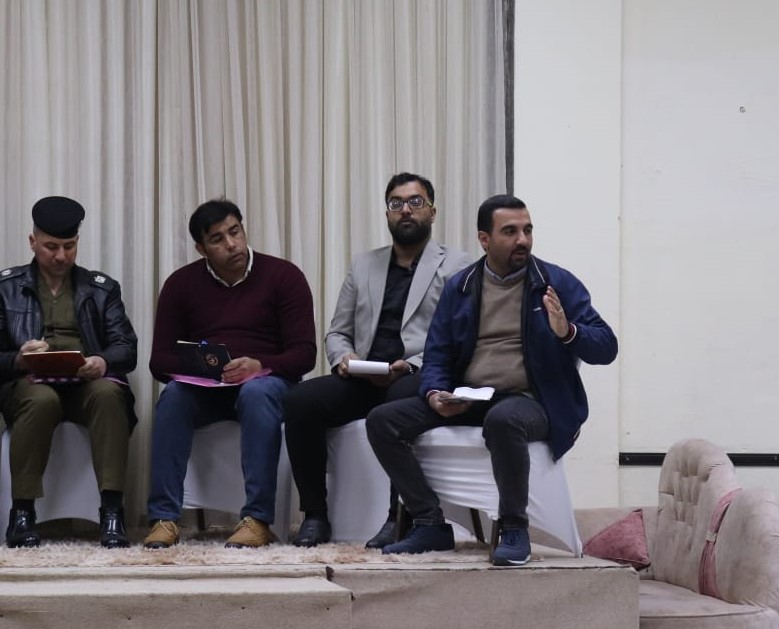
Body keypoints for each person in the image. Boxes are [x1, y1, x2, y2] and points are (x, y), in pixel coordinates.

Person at [366, 194, 618, 565]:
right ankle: (428, 521)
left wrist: (568, 331)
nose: (523, 240)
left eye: (527, 230)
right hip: (470, 397)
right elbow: (437, 354)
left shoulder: (555, 283)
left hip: (531, 402)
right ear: (484, 239)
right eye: (510, 232)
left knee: (504, 420)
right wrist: (436, 393)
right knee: (382, 421)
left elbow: (607, 347)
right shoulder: (461, 286)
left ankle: (514, 528)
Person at [282, 172, 471, 548]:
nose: (406, 210)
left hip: (417, 374)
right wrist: (345, 358)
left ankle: (398, 517)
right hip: (364, 375)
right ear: (387, 214)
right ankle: (315, 515)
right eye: (396, 203)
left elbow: (458, 339)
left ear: (432, 212)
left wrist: (410, 365)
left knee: (396, 400)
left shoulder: (457, 266)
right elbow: (338, 332)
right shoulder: (364, 265)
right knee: (299, 400)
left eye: (415, 202)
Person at [143, 199, 316, 549]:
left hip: (267, 384)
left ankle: (257, 520)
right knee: (173, 397)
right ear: (201, 248)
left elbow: (304, 354)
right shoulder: (180, 284)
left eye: (235, 232)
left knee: (256, 392)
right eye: (218, 239)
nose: (232, 244)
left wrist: (259, 365)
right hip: (207, 389)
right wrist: (204, 366)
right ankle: (164, 518)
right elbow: (159, 360)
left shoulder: (284, 276)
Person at [0, 196, 138, 548]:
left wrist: (102, 362)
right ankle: (22, 514)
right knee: (41, 399)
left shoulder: (101, 288)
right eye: (51, 247)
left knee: (109, 394)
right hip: (29, 384)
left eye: (69, 246)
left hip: (84, 384)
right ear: (33, 242)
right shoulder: (6, 288)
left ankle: (111, 512)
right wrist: (19, 359)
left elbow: (127, 347)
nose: (61, 256)